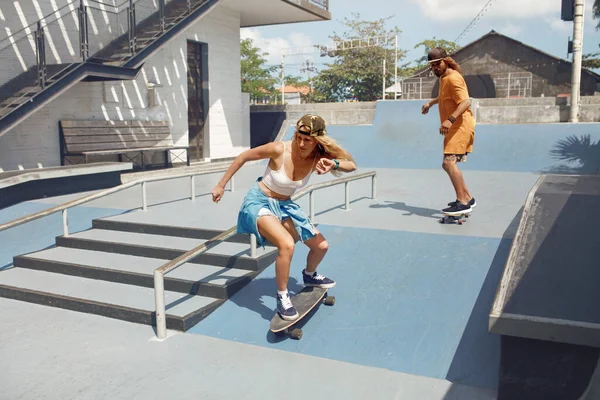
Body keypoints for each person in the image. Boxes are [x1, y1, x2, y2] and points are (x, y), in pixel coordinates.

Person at [211, 115, 357, 321]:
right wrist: (221, 185)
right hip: (259, 202)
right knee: (287, 244)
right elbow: (243, 157)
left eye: (308, 140)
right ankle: (282, 296)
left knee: (321, 246)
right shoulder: (279, 149)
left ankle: (309, 274)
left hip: (285, 205)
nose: (302, 143)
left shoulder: (319, 156)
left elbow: (351, 165)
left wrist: (333, 164)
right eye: (299, 137)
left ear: (318, 140)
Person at [421, 47, 476, 215]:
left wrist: (449, 120)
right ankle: (467, 197)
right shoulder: (444, 78)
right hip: (454, 127)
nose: (435, 68)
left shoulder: (453, 78)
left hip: (460, 125)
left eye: (438, 64)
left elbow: (465, 102)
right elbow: (445, 96)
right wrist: (430, 103)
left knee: (448, 163)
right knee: (448, 164)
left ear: (446, 60)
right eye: (432, 66)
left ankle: (463, 201)